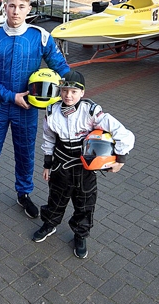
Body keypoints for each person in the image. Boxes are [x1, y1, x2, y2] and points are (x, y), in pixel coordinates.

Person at [0, 0, 70, 217]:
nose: (16, 12)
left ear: (29, 8)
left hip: (28, 107)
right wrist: (11, 96)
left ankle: (24, 193)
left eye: (21, 7)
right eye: (11, 6)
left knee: (25, 151)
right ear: (5, 7)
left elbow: (60, 67)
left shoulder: (40, 36)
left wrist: (72, 86)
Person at [32, 71, 135, 258]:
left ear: (82, 93)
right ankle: (50, 224)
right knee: (55, 198)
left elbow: (123, 133)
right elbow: (48, 138)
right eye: (64, 90)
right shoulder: (51, 110)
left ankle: (80, 234)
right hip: (60, 164)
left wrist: (120, 159)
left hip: (84, 165)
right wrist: (47, 164)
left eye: (73, 91)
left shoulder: (91, 111)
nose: (68, 95)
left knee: (85, 202)